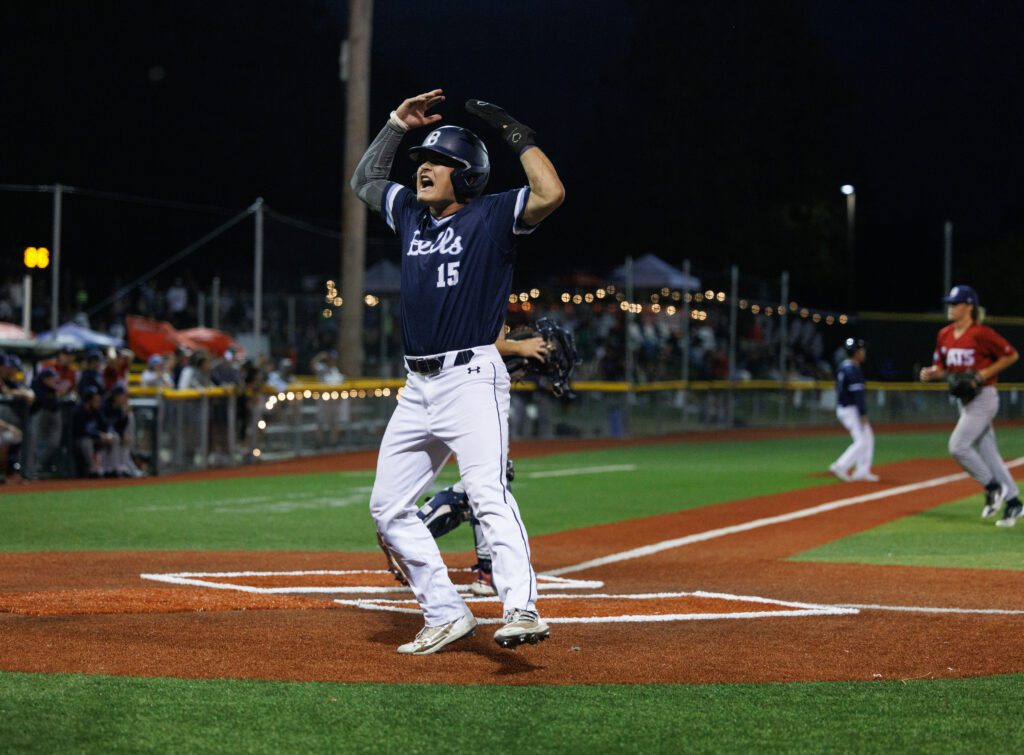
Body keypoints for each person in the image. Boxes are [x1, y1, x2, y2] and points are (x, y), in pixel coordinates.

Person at [350, 89, 564, 654]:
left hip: (471, 377)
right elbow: (365, 182)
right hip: (416, 386)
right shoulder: (413, 217)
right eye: (423, 159)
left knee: (487, 491)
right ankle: (446, 612)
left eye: (439, 161)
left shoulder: (492, 215)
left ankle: (520, 606)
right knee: (387, 507)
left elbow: (550, 193)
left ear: (466, 176)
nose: (425, 166)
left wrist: (517, 135)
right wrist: (397, 125)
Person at [414, 327, 553, 597]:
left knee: (487, 482)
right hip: (451, 394)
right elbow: (483, 343)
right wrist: (519, 348)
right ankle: (410, 535)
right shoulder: (478, 304)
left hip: (454, 390)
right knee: (490, 483)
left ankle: (407, 537)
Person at [919, 285, 1023, 526]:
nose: (951, 308)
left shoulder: (981, 333)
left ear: (969, 307)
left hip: (984, 397)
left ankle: (992, 486)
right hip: (964, 401)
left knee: (958, 446)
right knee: (989, 454)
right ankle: (1014, 503)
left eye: (955, 304)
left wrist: (982, 374)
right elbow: (943, 368)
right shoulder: (944, 334)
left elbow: (1011, 355)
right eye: (950, 304)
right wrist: (932, 373)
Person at [829, 338, 878, 482]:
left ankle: (862, 471)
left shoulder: (845, 367)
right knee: (862, 441)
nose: (864, 352)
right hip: (850, 410)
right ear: (856, 352)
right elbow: (857, 395)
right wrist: (862, 414)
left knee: (868, 437)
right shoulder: (851, 369)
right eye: (862, 350)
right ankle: (840, 466)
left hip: (847, 408)